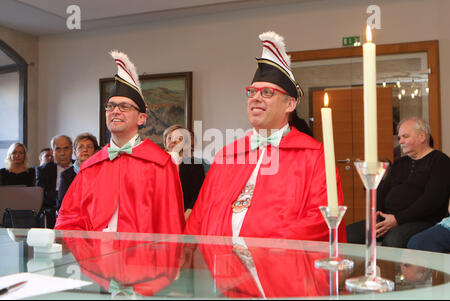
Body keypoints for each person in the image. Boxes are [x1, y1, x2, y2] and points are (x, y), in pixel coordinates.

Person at [185, 31, 346, 241]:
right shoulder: (227, 155)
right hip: (223, 267)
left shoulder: (314, 156)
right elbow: (199, 216)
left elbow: (320, 220)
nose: (255, 98)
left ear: (290, 104)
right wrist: (187, 257)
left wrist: (267, 248)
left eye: (267, 93)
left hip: (281, 266)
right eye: (252, 92)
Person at [55, 50, 184, 234]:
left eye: (124, 106)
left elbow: (170, 225)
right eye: (111, 106)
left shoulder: (161, 164)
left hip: (142, 258)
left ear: (141, 118)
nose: (115, 111)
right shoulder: (91, 167)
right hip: (95, 257)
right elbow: (69, 219)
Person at [347, 117, 450, 248]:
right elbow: (382, 190)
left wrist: (397, 219)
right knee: (348, 235)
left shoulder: (441, 161)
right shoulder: (400, 163)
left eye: (405, 136)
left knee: (393, 240)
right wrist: (377, 215)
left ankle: (388, 269)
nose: (400, 141)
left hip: (422, 220)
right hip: (388, 219)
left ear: (422, 136)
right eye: (399, 138)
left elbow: (431, 200)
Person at [163, 125, 205, 220]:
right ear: (165, 142)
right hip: (161, 215)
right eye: (169, 138)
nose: (173, 141)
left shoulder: (195, 165)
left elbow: (197, 194)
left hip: (185, 215)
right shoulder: (157, 163)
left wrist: (187, 214)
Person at [36, 134, 74, 228]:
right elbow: (41, 197)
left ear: (72, 150)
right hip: (52, 212)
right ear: (52, 151)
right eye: (58, 149)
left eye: (66, 148)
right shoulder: (43, 170)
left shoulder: (79, 167)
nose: (62, 153)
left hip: (75, 210)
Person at [56, 132, 99, 209]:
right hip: (73, 214)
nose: (85, 150)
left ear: (95, 152)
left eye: (89, 147)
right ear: (75, 153)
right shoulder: (66, 174)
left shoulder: (102, 172)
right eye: (81, 147)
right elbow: (62, 202)